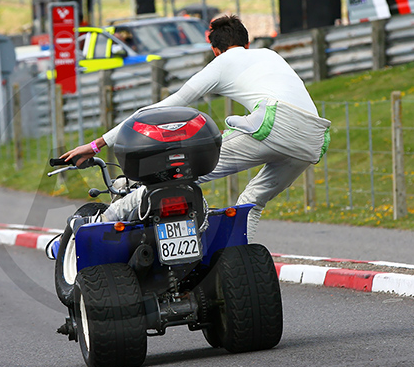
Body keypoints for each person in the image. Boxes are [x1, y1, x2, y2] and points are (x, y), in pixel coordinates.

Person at [61, 14, 331, 242]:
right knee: (252, 201)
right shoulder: (268, 55)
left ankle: (105, 219)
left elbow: (165, 106)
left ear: (215, 50)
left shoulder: (221, 63)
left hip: (276, 124)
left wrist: (96, 144)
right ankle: (239, 259)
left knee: (174, 176)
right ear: (246, 43)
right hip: (314, 139)